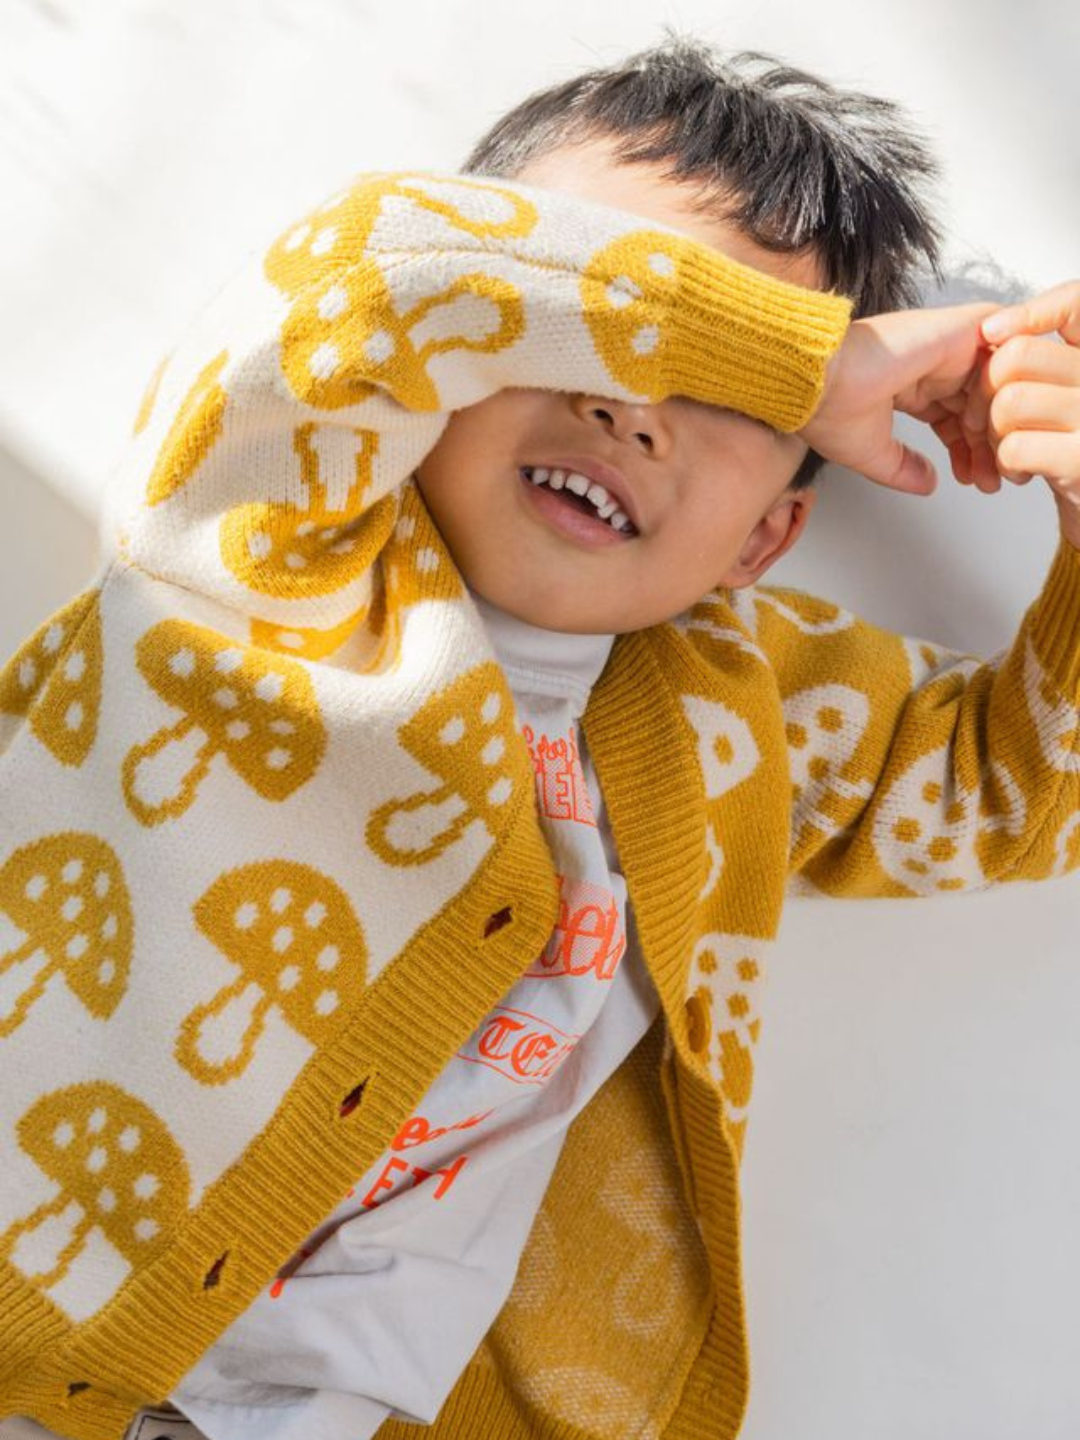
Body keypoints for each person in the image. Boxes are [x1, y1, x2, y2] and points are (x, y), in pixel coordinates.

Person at [1, 35, 1078, 1440]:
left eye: (728, 396)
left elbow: (1014, 794)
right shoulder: (256, 537)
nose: (628, 401)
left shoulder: (739, 709)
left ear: (766, 537)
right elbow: (360, 276)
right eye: (596, 315)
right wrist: (800, 359)